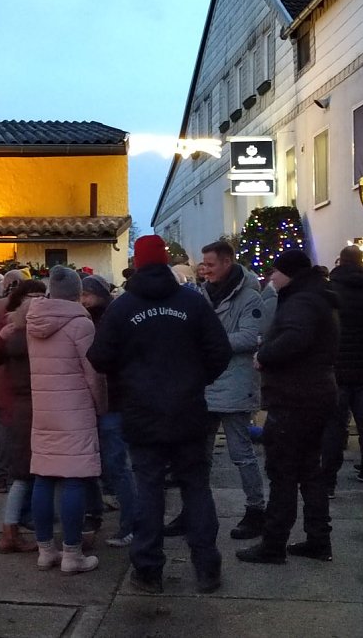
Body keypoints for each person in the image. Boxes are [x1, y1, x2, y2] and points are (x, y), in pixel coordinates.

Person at [88, 236, 232, 594]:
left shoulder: (122, 308)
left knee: (149, 490)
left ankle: (148, 570)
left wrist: (129, 377)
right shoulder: (192, 302)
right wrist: (196, 379)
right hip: (188, 411)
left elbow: (99, 357)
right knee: (195, 487)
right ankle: (207, 568)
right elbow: (220, 350)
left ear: (136, 263)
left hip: (142, 413)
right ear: (166, 262)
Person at [236, 250, 339, 564]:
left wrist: (264, 356)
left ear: (290, 273)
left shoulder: (300, 301)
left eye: (276, 272)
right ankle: (318, 540)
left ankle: (273, 544)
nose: (271, 277)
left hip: (295, 398)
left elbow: (295, 338)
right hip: (315, 394)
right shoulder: (317, 296)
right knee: (309, 471)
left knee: (283, 473)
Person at [27, 266, 106, 574]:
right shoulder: (80, 323)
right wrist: (101, 405)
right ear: (77, 293)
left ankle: (45, 550)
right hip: (75, 409)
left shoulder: (34, 321)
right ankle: (72, 554)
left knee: (43, 476)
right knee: (74, 477)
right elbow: (93, 373)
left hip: (44, 409)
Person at [195, 240, 266, 539]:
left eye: (210, 264)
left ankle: (256, 510)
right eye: (204, 264)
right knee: (199, 455)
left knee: (241, 453)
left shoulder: (250, 297)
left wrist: (210, 342)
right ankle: (194, 510)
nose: (205, 270)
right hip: (205, 385)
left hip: (235, 384)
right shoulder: (202, 294)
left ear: (227, 262)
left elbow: (251, 337)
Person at [322, 246, 363, 500]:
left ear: (340, 262)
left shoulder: (330, 291)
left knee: (334, 429)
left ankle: (328, 483)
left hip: (337, 370)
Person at [0, 280, 47, 553]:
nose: (36, 301)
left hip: (20, 404)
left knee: (25, 473)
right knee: (28, 474)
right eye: (31, 296)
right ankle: (14, 529)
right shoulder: (22, 333)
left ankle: (14, 526)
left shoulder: (13, 332)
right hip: (29, 406)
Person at [80, 274, 137, 548]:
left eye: (86, 294)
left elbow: (102, 360)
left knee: (117, 465)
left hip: (113, 401)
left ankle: (131, 524)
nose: (83, 300)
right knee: (100, 464)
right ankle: (99, 513)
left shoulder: (108, 321)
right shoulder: (95, 319)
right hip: (103, 401)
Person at [0, 269, 29, 493]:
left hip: (2, 374)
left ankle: (1, 476)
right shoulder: (31, 309)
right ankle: (18, 473)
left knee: (3, 427)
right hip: (23, 376)